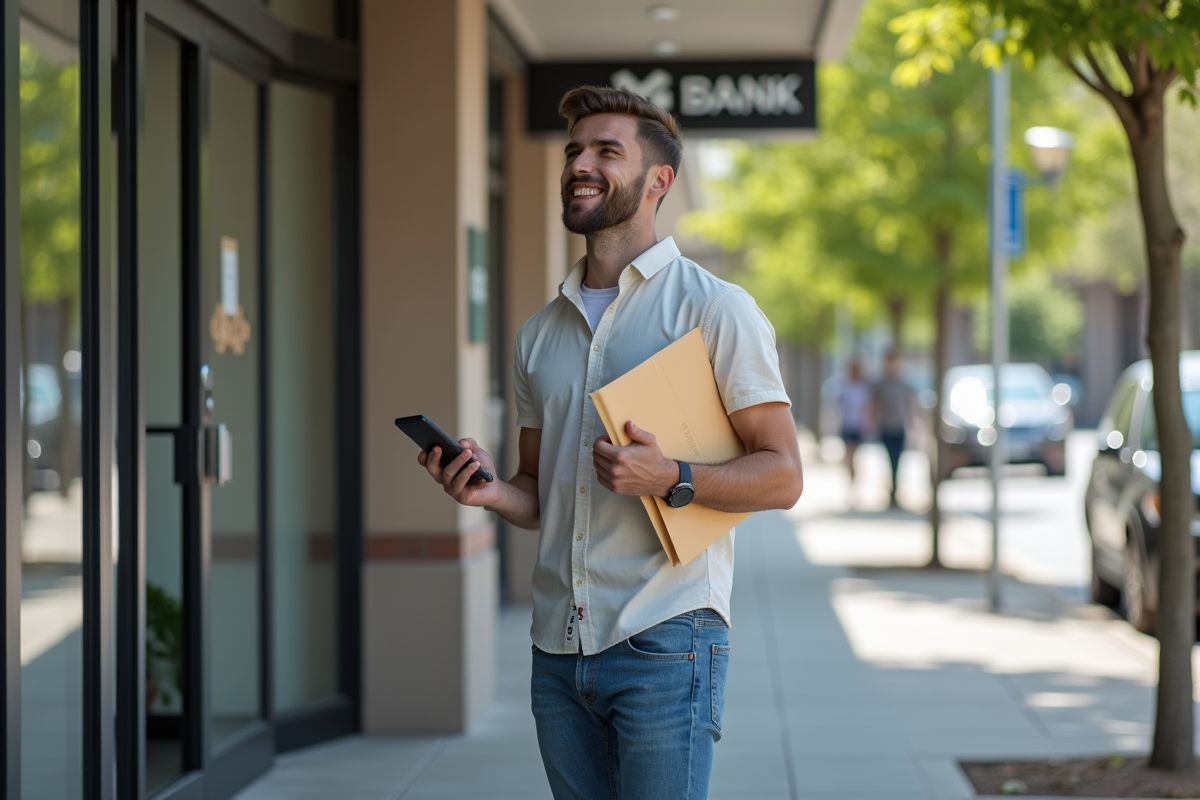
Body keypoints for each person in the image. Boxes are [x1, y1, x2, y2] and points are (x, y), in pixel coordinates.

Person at [417, 85, 803, 800]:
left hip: (667, 638)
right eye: (572, 152)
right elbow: (538, 494)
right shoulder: (540, 334)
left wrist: (672, 476)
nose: (579, 165)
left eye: (605, 151)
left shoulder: (716, 310)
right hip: (557, 652)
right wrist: (492, 491)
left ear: (659, 181)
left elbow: (783, 476)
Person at [873, 350, 914, 508]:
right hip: (886, 427)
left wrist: (913, 425)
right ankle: (892, 492)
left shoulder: (904, 384)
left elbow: (910, 405)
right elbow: (874, 405)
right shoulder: (880, 384)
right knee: (890, 461)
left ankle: (895, 491)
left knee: (898, 462)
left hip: (900, 427)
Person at [836, 360, 870, 487]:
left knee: (854, 455)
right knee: (849, 455)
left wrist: (867, 424)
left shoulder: (863, 387)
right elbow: (839, 405)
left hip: (858, 425)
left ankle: (853, 479)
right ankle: (851, 478)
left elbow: (867, 407)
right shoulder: (845, 386)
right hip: (847, 424)